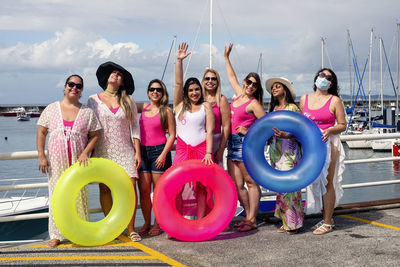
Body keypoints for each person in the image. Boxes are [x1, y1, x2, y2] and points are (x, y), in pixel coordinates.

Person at [37, 74, 101, 248]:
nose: (74, 88)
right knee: (56, 193)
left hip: (78, 161)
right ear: (65, 87)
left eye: (78, 86)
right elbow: (42, 132)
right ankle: (56, 234)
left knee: (79, 194)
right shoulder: (52, 108)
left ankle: (79, 232)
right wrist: (42, 156)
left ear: (81, 91)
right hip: (56, 160)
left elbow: (96, 136)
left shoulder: (87, 112)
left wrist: (86, 153)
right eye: (71, 84)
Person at [87, 62, 142, 241]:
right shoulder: (92, 100)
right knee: (105, 189)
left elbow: (135, 128)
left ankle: (131, 228)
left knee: (130, 189)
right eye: (113, 72)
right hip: (103, 150)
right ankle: (114, 228)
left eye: (119, 74)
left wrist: (137, 152)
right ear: (106, 77)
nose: (115, 75)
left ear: (122, 81)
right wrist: (92, 152)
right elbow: (91, 128)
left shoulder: (129, 100)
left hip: (125, 150)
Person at [224, 43, 266, 232]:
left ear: (257, 88)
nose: (249, 86)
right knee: (237, 184)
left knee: (250, 182)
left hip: (244, 144)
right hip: (231, 143)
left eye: (253, 84)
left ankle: (252, 219)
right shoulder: (239, 95)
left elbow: (265, 126)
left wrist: (247, 132)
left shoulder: (253, 103)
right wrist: (226, 57)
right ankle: (247, 216)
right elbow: (231, 76)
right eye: (248, 82)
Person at [299, 68, 346, 235]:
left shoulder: (335, 101)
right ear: (316, 78)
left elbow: (343, 125)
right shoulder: (304, 99)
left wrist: (330, 130)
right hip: (311, 145)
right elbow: (301, 123)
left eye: (329, 77)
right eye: (322, 75)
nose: (325, 78)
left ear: (332, 83)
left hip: (329, 143)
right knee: (315, 181)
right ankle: (326, 217)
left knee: (327, 181)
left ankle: (327, 222)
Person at [173, 42, 214, 219]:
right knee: (177, 187)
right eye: (191, 90)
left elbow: (210, 131)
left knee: (201, 187)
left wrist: (208, 153)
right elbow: (177, 82)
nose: (194, 92)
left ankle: (202, 220)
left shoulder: (206, 106)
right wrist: (179, 61)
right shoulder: (179, 106)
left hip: (201, 150)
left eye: (197, 89)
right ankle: (179, 220)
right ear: (186, 92)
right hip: (182, 150)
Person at [136, 79, 176, 236]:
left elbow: (172, 135)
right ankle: (147, 223)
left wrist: (163, 154)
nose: (155, 92)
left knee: (158, 192)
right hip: (142, 152)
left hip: (160, 152)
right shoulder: (143, 107)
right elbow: (125, 102)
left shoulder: (166, 111)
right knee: (144, 191)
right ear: (147, 92)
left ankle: (158, 224)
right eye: (152, 89)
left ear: (163, 92)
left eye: (158, 90)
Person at [265, 77, 303, 234]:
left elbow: (302, 131)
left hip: (290, 152)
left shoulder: (293, 108)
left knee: (291, 189)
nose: (274, 89)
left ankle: (294, 224)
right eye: (273, 87)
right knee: (282, 188)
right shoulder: (274, 110)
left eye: (277, 86)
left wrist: (286, 136)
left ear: (285, 90)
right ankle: (285, 220)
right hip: (277, 152)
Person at [201, 69, 231, 167]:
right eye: (207, 78)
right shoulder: (198, 99)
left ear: (217, 82)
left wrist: (221, 149)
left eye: (213, 79)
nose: (210, 81)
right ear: (203, 81)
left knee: (215, 175)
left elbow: (226, 127)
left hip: (215, 142)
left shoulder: (222, 100)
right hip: (199, 142)